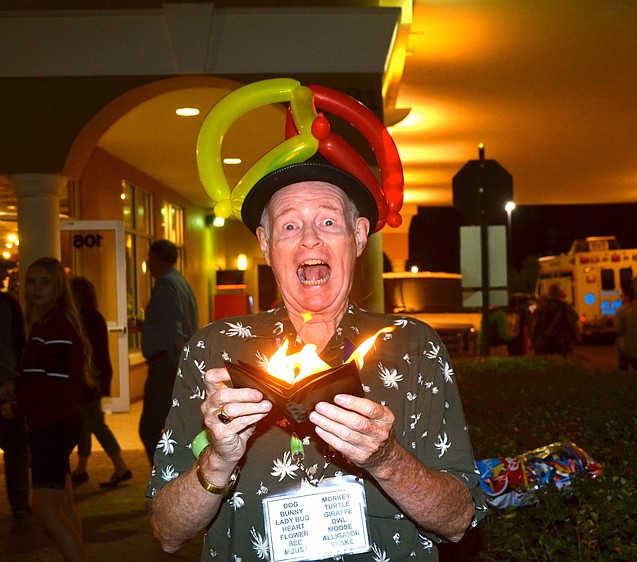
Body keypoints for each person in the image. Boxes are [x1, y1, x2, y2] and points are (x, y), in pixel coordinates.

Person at [147, 81, 486, 562]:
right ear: (265, 245)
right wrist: (218, 460)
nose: (309, 239)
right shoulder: (215, 351)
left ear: (359, 235)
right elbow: (166, 530)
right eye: (289, 225)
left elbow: (458, 521)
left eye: (328, 221)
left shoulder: (413, 348)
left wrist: (386, 459)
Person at [3, 257, 94, 562]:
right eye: (31, 282)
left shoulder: (54, 326)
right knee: (64, 505)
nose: (36, 289)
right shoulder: (47, 323)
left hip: (52, 425)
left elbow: (53, 386)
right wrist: (19, 387)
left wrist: (16, 407)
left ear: (58, 287)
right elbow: (47, 377)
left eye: (44, 283)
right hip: (57, 422)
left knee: (44, 508)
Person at [139, 239, 199, 464]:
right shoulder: (181, 283)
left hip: (166, 364)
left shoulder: (165, 286)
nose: (148, 262)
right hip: (174, 362)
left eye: (150, 257)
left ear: (157, 258)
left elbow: (173, 330)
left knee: (150, 428)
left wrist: (177, 366)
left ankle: (166, 475)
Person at [69, 276, 132, 488]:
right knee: (87, 424)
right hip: (94, 377)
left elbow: (89, 354)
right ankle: (82, 468)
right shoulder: (93, 316)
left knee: (93, 423)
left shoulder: (85, 318)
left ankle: (119, 466)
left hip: (89, 378)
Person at [0, 257, 31, 521]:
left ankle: (21, 503)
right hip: (6, 385)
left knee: (16, 448)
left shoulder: (8, 304)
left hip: (6, 384)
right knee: (16, 449)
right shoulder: (7, 305)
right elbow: (19, 346)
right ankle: (20, 503)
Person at [531, 283, 579, 355]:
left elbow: (535, 324)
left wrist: (534, 340)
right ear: (559, 293)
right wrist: (575, 337)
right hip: (561, 342)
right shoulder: (565, 307)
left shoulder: (542, 307)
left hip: (545, 342)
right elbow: (573, 322)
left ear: (549, 293)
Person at [614, 285, 637, 370]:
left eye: (623, 296)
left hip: (625, 347)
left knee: (623, 372)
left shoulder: (621, 311)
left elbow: (617, 330)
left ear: (627, 297)